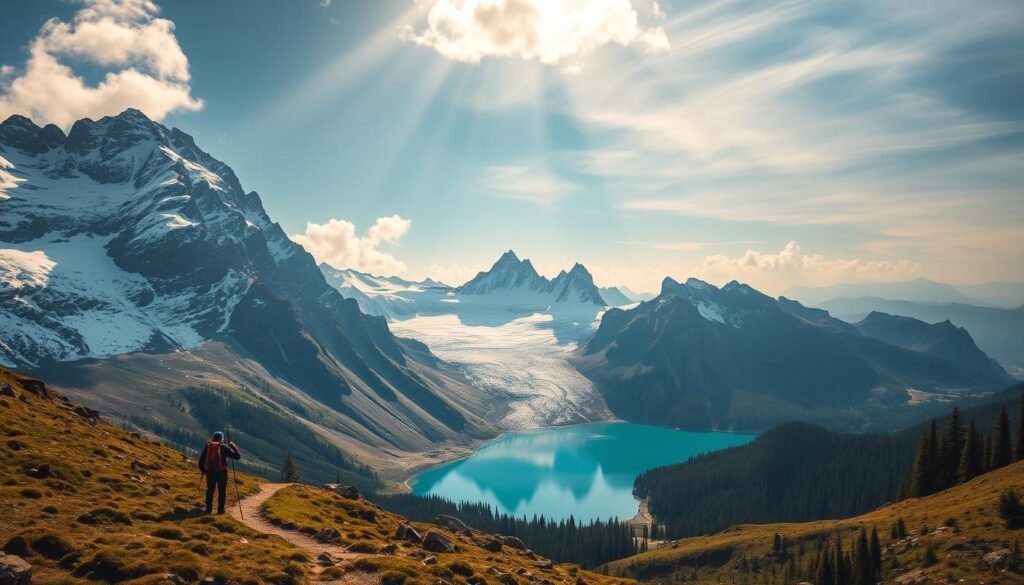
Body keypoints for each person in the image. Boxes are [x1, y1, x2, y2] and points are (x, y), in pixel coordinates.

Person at [198, 431, 241, 514]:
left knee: (210, 490)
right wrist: (233, 447)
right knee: (222, 491)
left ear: (213, 438)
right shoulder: (223, 447)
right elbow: (237, 456)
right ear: (222, 439)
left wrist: (204, 470)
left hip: (210, 472)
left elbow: (201, 460)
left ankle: (208, 509)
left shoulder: (208, 446)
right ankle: (220, 510)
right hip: (221, 472)